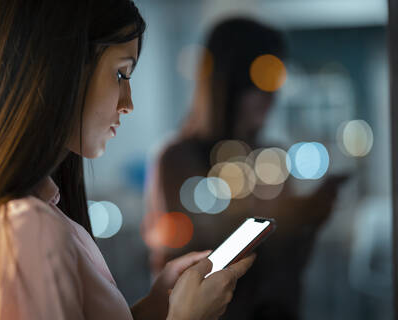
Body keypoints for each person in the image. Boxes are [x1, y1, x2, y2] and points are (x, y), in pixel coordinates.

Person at [0, 1, 256, 319]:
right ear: (61, 66)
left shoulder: (31, 217)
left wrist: (154, 307)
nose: (128, 104)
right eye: (120, 74)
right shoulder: (26, 229)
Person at [143, 18, 345, 319]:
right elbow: (177, 268)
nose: (272, 95)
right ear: (231, 77)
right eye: (262, 77)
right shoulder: (177, 160)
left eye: (277, 78)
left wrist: (306, 219)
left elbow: (283, 264)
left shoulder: (272, 156)